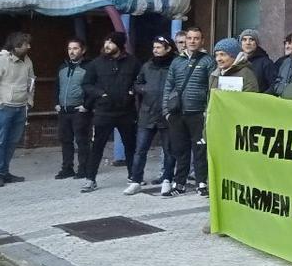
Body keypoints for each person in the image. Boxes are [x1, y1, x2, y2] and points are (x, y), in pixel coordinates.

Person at [79, 33, 140, 193]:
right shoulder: (96, 63)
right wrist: (100, 94)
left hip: (126, 111)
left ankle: (133, 177)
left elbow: (140, 80)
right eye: (106, 41)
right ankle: (90, 179)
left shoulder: (132, 62)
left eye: (111, 42)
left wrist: (132, 92)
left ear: (119, 45)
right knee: (97, 146)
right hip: (103, 111)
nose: (107, 45)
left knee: (130, 145)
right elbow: (86, 84)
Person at [162, 26, 216, 197]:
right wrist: (166, 111)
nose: (192, 41)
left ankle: (201, 183)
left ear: (202, 41)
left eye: (196, 38)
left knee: (200, 149)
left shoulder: (208, 61)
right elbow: (168, 86)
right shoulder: (177, 61)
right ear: (185, 41)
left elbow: (212, 88)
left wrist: (208, 111)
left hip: (198, 112)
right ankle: (180, 184)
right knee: (180, 150)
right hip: (177, 113)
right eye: (190, 38)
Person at [127, 37, 177, 195]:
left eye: (159, 47)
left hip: (167, 114)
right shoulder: (147, 66)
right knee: (140, 150)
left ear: (168, 48)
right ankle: (136, 180)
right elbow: (137, 83)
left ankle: (167, 179)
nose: (155, 50)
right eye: (154, 47)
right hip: (147, 114)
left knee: (169, 150)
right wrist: (144, 89)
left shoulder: (175, 65)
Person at [0, 32, 34, 185]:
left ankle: (4, 172)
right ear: (16, 45)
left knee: (12, 142)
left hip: (21, 108)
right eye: (26, 44)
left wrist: (30, 101)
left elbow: (31, 82)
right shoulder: (2, 60)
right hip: (4, 108)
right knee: (0, 142)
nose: (29, 46)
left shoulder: (27, 61)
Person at [55, 38, 91, 180]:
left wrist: (86, 105)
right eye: (70, 48)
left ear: (83, 50)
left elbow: (91, 88)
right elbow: (56, 86)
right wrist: (55, 103)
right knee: (65, 140)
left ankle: (84, 168)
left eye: (75, 48)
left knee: (82, 140)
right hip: (63, 110)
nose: (72, 51)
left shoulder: (88, 68)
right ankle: (67, 168)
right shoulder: (62, 67)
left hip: (79, 110)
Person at [239, 29, 276, 97]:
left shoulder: (266, 63)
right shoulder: (236, 62)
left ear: (256, 43)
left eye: (251, 39)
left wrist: (260, 98)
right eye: (244, 39)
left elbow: (274, 86)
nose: (248, 43)